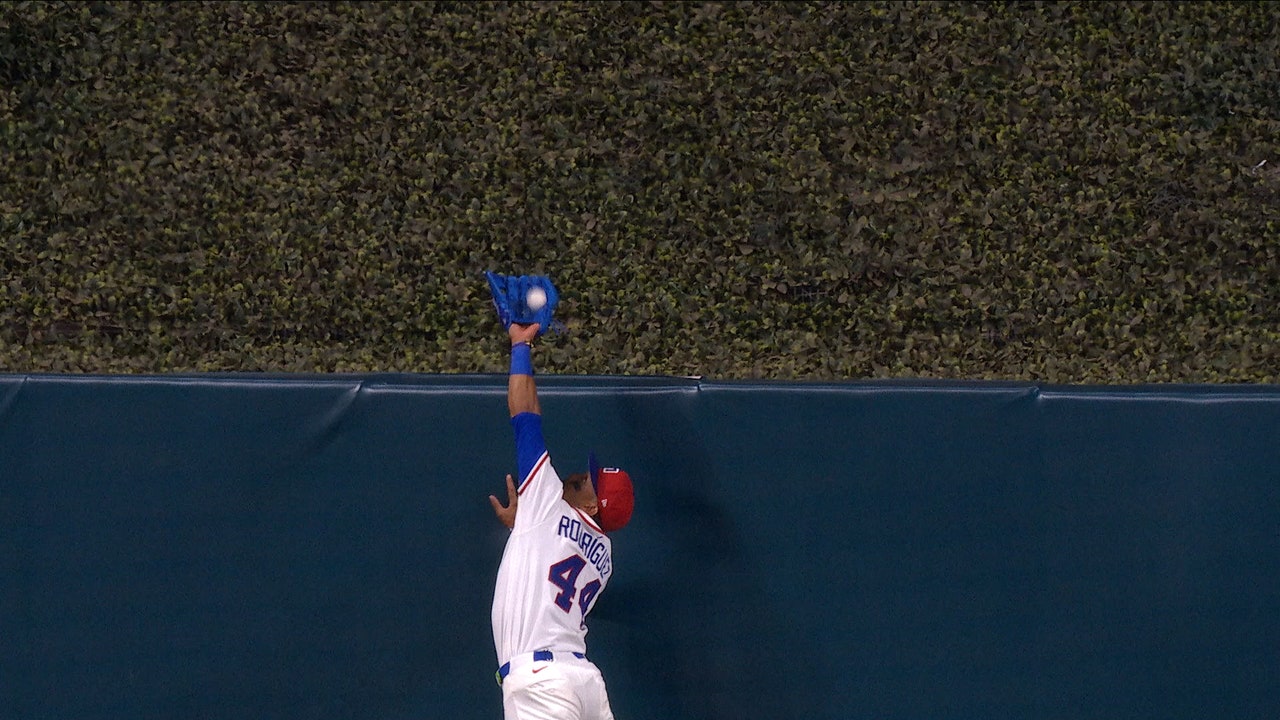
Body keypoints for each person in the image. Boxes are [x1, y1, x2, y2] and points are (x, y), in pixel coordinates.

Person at [489, 320, 635, 720]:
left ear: (591, 508)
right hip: (583, 681)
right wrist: (525, 527)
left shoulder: (547, 502)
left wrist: (521, 346)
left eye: (589, 482)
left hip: (543, 682)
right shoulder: (603, 555)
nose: (580, 476)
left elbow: (525, 415)